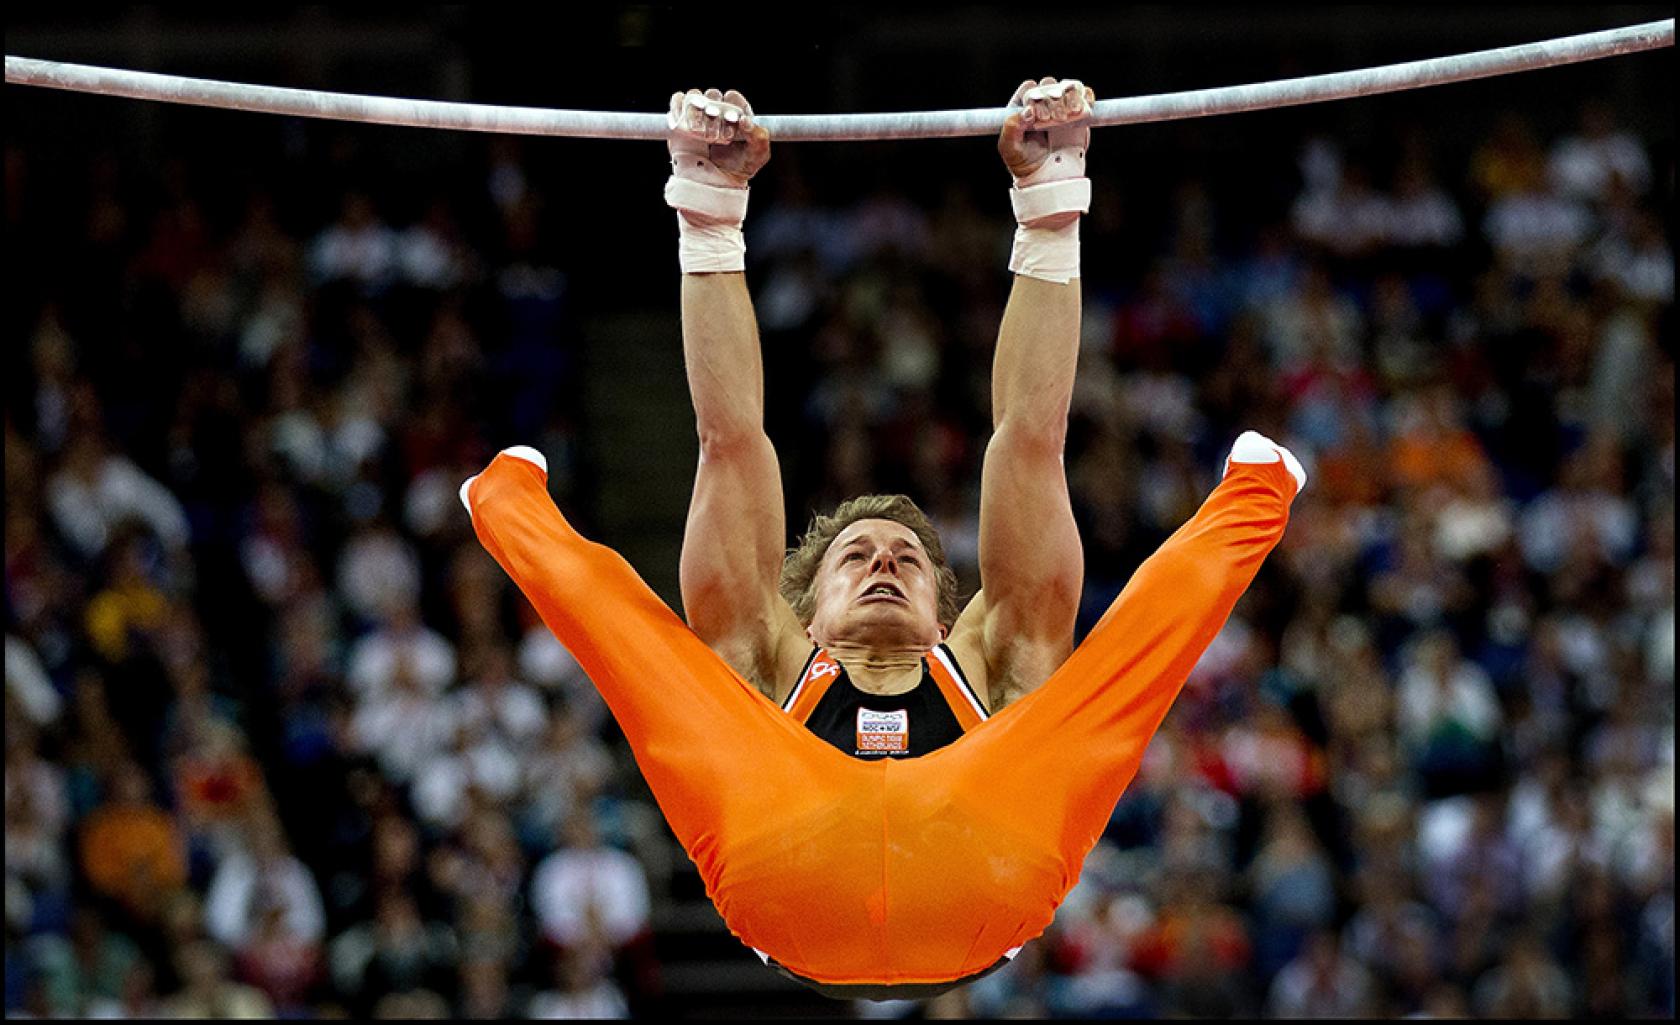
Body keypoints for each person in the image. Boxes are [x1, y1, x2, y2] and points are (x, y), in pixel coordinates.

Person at [458, 78, 1305, 998]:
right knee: (666, 651)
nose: (883, 564)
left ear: (951, 616)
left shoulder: (993, 653)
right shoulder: (766, 650)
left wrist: (1045, 201)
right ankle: (695, 219)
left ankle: (1060, 197)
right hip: (853, 870)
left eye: (904, 558)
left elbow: (1031, 435)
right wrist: (712, 214)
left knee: (1090, 658)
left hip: (935, 870)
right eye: (854, 556)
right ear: (804, 612)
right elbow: (730, 437)